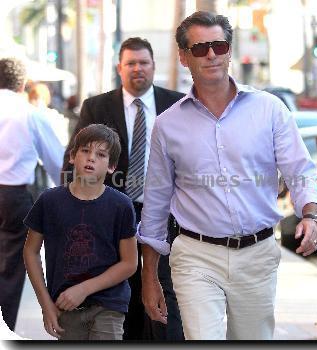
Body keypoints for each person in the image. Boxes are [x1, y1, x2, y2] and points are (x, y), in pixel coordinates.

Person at [138, 11, 317, 340]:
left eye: (219, 45)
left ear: (229, 50)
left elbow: (300, 172)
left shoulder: (269, 110)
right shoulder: (167, 125)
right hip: (196, 256)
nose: (211, 54)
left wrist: (311, 216)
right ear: (184, 58)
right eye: (199, 48)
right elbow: (155, 203)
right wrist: (149, 278)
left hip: (257, 255)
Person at [62, 37, 185, 340]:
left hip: (168, 215)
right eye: (131, 63)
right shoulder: (97, 107)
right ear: (120, 68)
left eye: (143, 62)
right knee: (121, 293)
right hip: (114, 213)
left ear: (154, 66)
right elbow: (74, 162)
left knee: (166, 292)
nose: (138, 69)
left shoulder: (179, 105)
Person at [23, 124, 138, 340]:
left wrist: (84, 289)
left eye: (101, 154)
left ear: (112, 166)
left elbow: (130, 263)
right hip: (65, 306)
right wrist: (46, 304)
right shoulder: (49, 201)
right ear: (73, 156)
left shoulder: (121, 205)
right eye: (85, 151)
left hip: (109, 305)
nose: (91, 158)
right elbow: (30, 252)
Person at [0, 57, 64, 331]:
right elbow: (56, 161)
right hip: (14, 197)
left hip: (14, 196)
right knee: (10, 271)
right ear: (23, 84)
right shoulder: (29, 113)